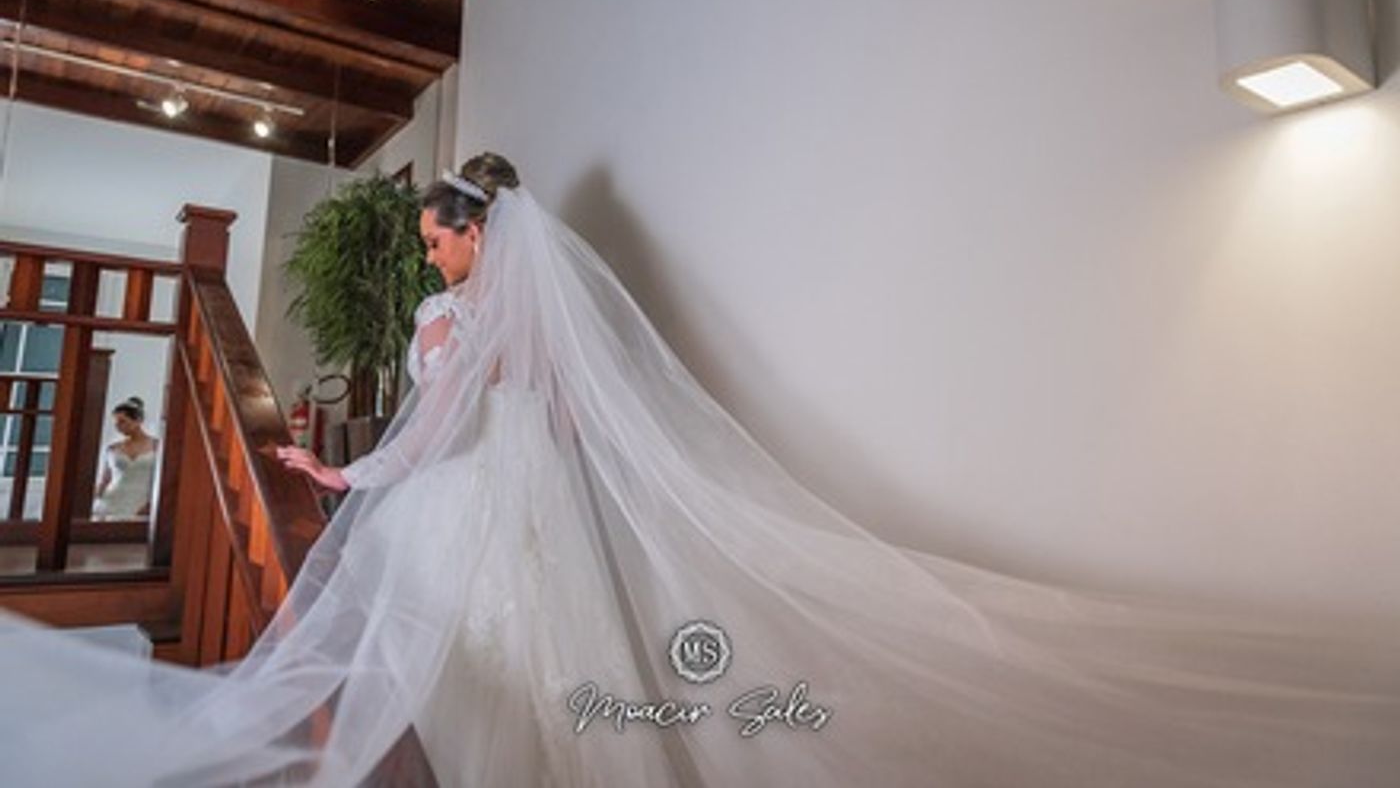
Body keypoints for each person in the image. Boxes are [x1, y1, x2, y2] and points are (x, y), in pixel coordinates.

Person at [0, 152, 1397, 787]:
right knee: (552, 677)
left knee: (493, 677)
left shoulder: (455, 318)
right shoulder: (517, 315)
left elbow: (433, 432)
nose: (428, 253)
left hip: (468, 507)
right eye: (428, 241)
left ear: (475, 233)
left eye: (436, 235)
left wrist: (345, 473)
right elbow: (553, 421)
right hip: (537, 511)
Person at [91, 396, 158, 520]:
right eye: (116, 423)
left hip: (142, 504)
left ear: (138, 421)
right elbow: (105, 480)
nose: (118, 426)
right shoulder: (112, 449)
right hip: (110, 501)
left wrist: (151, 504)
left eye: (122, 422)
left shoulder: (158, 446)